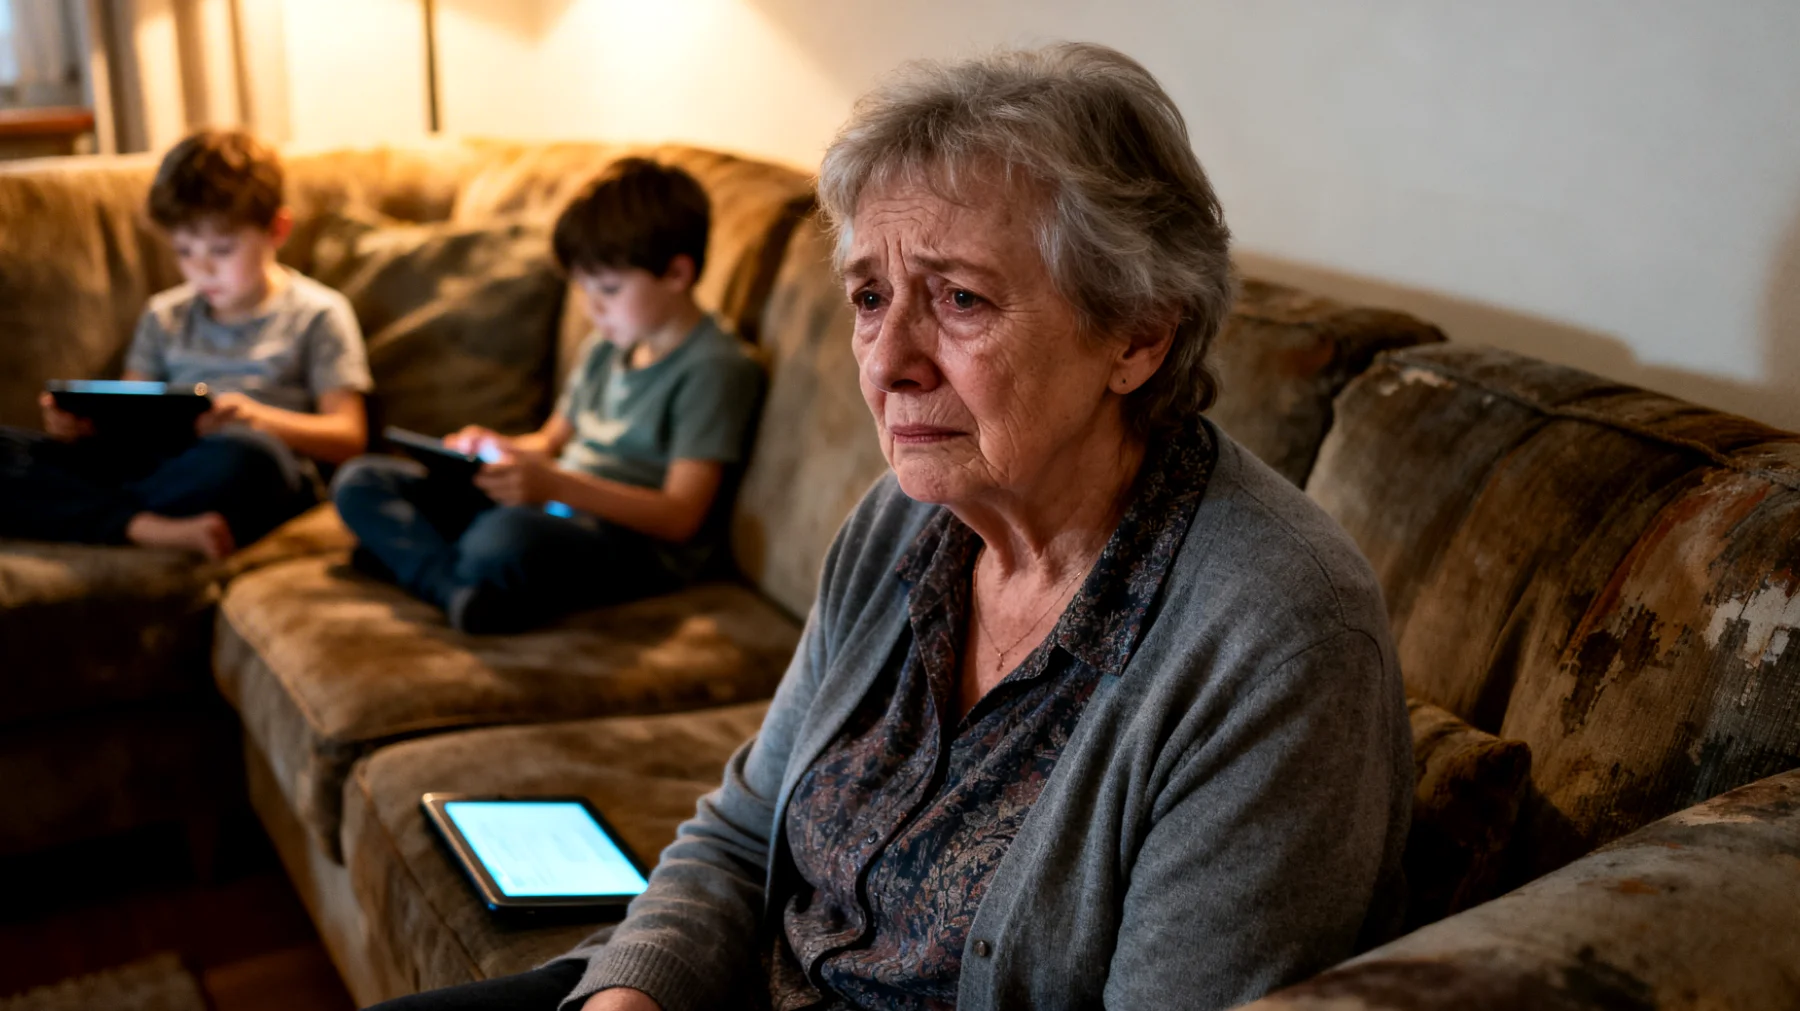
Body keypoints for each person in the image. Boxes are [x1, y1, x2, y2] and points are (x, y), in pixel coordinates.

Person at [372, 43, 1411, 1011]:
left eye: (959, 299)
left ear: (1137, 337)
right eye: (871, 295)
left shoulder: (1278, 639)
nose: (887, 360)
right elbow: (739, 837)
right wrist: (629, 994)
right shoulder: (908, 523)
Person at [331, 158, 766, 634]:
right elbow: (550, 441)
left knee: (503, 538)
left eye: (609, 289)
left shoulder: (716, 368)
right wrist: (497, 450)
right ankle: (457, 589)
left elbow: (680, 517)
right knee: (363, 480)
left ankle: (419, 566)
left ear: (677, 273)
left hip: (626, 540)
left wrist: (556, 486)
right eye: (582, 288)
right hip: (557, 508)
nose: (592, 308)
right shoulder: (607, 348)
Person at [0, 128, 371, 559]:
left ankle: (89, 513)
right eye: (185, 250)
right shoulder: (165, 315)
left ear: (277, 229)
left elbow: (348, 436)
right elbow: (132, 409)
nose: (202, 269)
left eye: (222, 249)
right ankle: (146, 527)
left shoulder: (319, 313)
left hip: (248, 468)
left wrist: (257, 418)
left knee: (249, 457)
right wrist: (86, 428)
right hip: (158, 467)